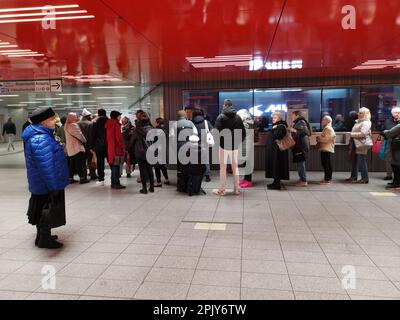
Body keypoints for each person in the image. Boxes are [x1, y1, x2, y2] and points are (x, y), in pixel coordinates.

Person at [22, 107, 68, 249]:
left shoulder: (42, 134)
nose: (55, 121)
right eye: (52, 119)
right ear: (43, 122)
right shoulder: (40, 138)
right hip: (46, 183)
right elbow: (46, 166)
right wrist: (53, 186)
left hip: (41, 183)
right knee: (46, 211)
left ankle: (41, 236)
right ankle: (45, 239)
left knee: (42, 209)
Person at [214, 99, 245, 196]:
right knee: (235, 167)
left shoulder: (221, 117)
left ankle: (222, 190)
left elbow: (216, 133)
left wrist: (219, 143)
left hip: (223, 146)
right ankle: (236, 190)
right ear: (231, 106)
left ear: (225, 106)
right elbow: (243, 133)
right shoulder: (238, 117)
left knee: (223, 168)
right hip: (234, 146)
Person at [129, 111, 154, 194]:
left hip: (141, 152)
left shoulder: (137, 129)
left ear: (138, 118)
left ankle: (144, 189)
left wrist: (130, 149)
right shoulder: (151, 127)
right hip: (150, 150)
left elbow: (132, 142)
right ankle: (152, 187)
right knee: (150, 169)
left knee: (142, 170)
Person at [347, 107, 373, 184]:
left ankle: (365, 178)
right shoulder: (359, 122)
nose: (358, 114)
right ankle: (353, 177)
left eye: (360, 113)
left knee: (362, 161)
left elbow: (363, 133)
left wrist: (351, 134)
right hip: (357, 143)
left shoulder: (366, 122)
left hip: (362, 144)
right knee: (355, 161)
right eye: (359, 112)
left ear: (365, 114)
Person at [265, 112, 289, 190]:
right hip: (275, 151)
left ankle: (277, 184)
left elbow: (278, 136)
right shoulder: (277, 125)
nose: (273, 119)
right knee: (275, 166)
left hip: (278, 152)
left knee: (277, 166)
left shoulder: (281, 125)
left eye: (275, 118)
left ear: (280, 118)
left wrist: (273, 129)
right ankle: (275, 182)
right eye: (273, 118)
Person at [65, 113, 89, 185]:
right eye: (75, 117)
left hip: (70, 147)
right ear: (72, 118)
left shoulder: (66, 126)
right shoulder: (73, 125)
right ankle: (82, 178)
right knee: (80, 164)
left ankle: (70, 178)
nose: (76, 118)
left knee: (72, 164)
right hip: (76, 147)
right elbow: (79, 135)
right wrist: (85, 140)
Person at [105, 111, 126, 189]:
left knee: (114, 165)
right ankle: (116, 183)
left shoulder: (109, 124)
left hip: (111, 147)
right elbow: (119, 138)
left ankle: (113, 182)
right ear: (116, 116)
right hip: (117, 148)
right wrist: (123, 146)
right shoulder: (116, 124)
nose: (120, 117)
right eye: (119, 116)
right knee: (116, 166)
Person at [191, 109, 213, 182]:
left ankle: (196, 175)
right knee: (205, 160)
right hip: (204, 144)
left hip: (194, 143)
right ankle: (207, 176)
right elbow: (212, 130)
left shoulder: (191, 123)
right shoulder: (206, 122)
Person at [291, 110, 311, 187]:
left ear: (297, 115)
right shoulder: (300, 122)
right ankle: (302, 178)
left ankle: (303, 180)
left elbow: (305, 133)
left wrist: (293, 130)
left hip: (301, 146)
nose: (291, 117)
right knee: (300, 163)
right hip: (301, 146)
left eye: (292, 115)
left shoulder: (301, 122)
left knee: (300, 163)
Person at [382, 107, 400, 189]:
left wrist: (386, 132)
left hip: (397, 145)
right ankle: (395, 181)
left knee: (396, 164)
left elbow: (389, 132)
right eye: (396, 113)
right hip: (392, 144)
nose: (397, 114)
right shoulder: (389, 121)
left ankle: (397, 183)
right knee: (393, 162)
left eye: (399, 113)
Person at [317, 116, 336, 185]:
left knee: (326, 164)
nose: (322, 121)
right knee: (327, 163)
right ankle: (328, 178)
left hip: (326, 148)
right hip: (326, 148)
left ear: (327, 121)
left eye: (323, 120)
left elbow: (327, 139)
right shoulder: (327, 128)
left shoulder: (328, 129)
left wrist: (319, 138)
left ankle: (327, 179)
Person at [91, 109, 109, 186]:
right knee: (111, 161)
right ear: (105, 114)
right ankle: (115, 177)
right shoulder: (109, 122)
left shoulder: (95, 123)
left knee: (100, 163)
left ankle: (101, 179)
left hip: (99, 146)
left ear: (98, 114)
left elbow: (93, 135)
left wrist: (92, 146)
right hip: (109, 145)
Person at [78, 109, 97, 181]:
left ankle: (84, 176)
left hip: (80, 144)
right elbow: (92, 135)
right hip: (89, 144)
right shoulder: (90, 123)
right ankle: (93, 174)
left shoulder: (77, 123)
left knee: (82, 162)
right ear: (87, 116)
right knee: (91, 160)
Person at [237, 109, 254, 188]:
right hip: (246, 144)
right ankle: (246, 179)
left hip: (247, 144)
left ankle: (248, 181)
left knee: (248, 163)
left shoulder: (247, 122)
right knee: (247, 163)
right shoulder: (247, 122)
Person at [154, 117, 170, 187]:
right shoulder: (165, 130)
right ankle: (166, 179)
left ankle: (158, 182)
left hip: (157, 149)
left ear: (157, 123)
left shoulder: (156, 130)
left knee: (157, 166)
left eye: (155, 122)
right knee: (162, 166)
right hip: (163, 149)